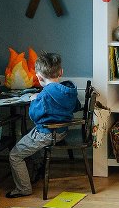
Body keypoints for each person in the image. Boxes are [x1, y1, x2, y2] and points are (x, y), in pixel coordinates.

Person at [6, 52, 79, 199]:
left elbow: (34, 116)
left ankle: (23, 188)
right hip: (62, 131)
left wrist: (35, 100)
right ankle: (38, 168)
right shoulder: (69, 90)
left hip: (46, 133)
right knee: (28, 137)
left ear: (38, 77)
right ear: (61, 72)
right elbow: (76, 107)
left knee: (15, 155)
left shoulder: (45, 95)